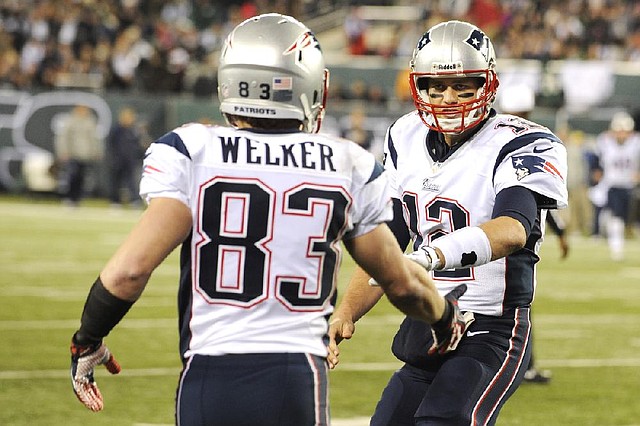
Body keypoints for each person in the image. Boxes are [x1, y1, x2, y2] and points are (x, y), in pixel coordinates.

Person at [68, 14, 472, 425]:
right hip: (294, 378)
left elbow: (128, 273)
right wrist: (443, 319)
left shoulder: (192, 150)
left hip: (208, 377)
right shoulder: (345, 163)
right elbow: (400, 282)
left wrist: (87, 340)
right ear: (311, 84)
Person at [327, 20, 568, 425]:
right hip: (431, 319)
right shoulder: (404, 134)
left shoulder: (522, 140)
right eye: (435, 87)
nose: (448, 98)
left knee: (445, 419)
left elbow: (512, 229)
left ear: (487, 83)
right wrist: (345, 312)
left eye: (462, 85)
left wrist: (433, 256)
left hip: (493, 327)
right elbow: (389, 239)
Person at [499, 83, 571, 384]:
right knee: (515, 302)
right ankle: (522, 366)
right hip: (512, 235)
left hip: (482, 233)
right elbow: (534, 197)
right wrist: (560, 232)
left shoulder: (486, 138)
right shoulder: (533, 142)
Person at [592, 111, 640, 260]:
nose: (621, 134)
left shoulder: (636, 143)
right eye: (618, 131)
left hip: (630, 186)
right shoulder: (605, 142)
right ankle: (616, 247)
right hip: (612, 185)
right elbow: (595, 161)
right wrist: (597, 172)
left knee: (627, 219)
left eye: (624, 131)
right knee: (616, 217)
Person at [54, 104, 102, 206]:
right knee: (72, 176)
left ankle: (77, 199)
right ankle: (69, 197)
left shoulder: (90, 122)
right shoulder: (70, 121)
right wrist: (64, 151)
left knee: (82, 178)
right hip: (73, 154)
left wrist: (96, 151)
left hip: (85, 155)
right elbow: (63, 137)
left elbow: (94, 139)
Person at [105, 107, 147, 207]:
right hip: (117, 159)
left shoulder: (134, 130)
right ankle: (115, 201)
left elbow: (140, 144)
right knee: (116, 181)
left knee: (132, 181)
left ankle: (135, 201)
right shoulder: (116, 129)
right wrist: (113, 157)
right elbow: (110, 144)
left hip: (130, 160)